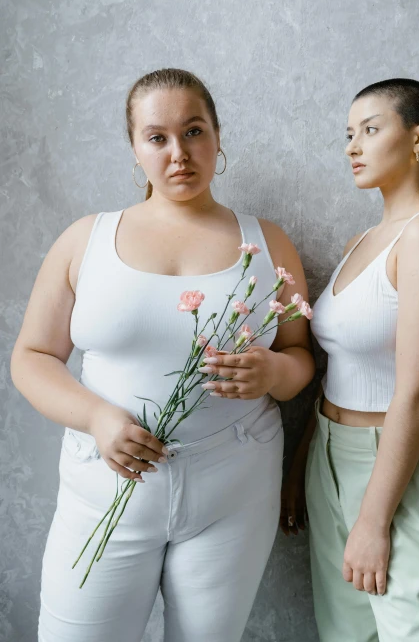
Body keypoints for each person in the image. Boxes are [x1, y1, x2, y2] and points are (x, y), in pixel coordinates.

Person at [10, 68, 315, 642]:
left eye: (194, 131)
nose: (179, 153)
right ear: (135, 149)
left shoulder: (268, 242)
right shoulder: (86, 240)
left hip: (234, 486)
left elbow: (301, 358)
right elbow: (30, 356)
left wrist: (274, 370)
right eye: (157, 138)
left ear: (218, 138)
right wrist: (98, 418)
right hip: (104, 486)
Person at [281, 78, 419, 641]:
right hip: (330, 458)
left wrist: (372, 519)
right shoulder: (360, 242)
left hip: (404, 466)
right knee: (347, 635)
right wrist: (304, 463)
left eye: (370, 129)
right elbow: (340, 371)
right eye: (348, 134)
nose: (352, 146)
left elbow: (416, 389)